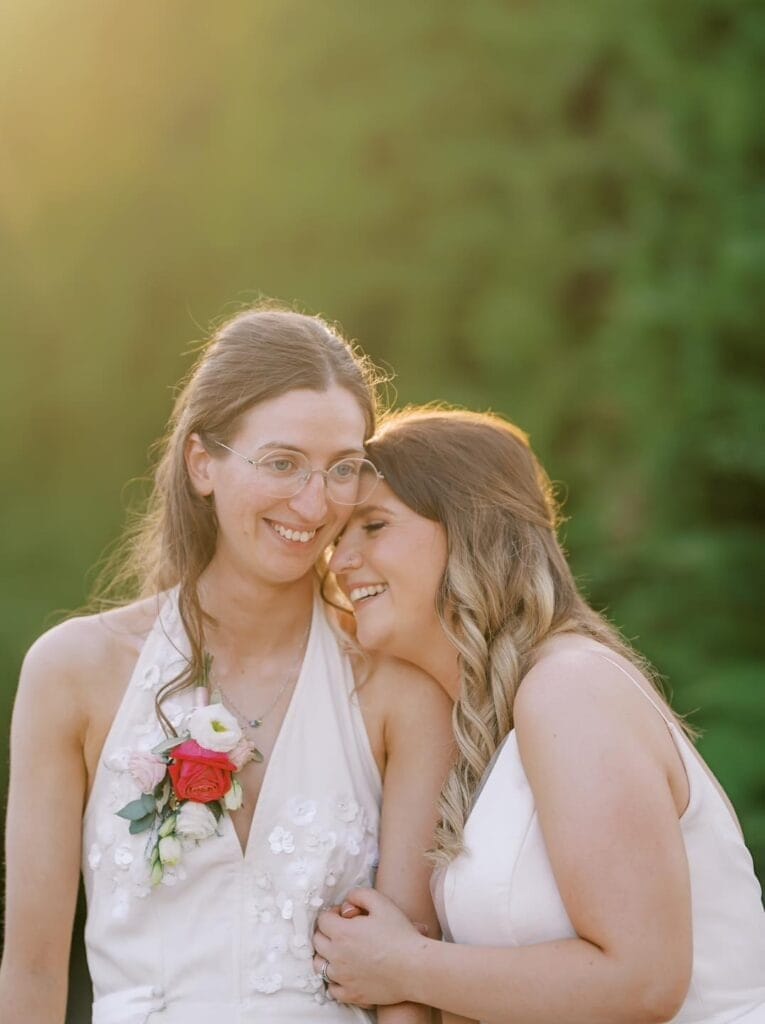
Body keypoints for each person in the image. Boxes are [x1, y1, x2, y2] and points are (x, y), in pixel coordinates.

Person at [0, 311, 453, 1024]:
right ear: (201, 464)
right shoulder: (74, 672)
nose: (313, 502)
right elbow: (31, 966)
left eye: (341, 468)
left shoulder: (397, 690)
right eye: (281, 463)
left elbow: (407, 979)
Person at [315, 407, 765, 1024]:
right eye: (340, 538)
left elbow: (643, 980)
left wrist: (404, 965)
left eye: (373, 525)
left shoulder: (568, 686)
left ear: (471, 528)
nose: (339, 561)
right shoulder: (485, 728)